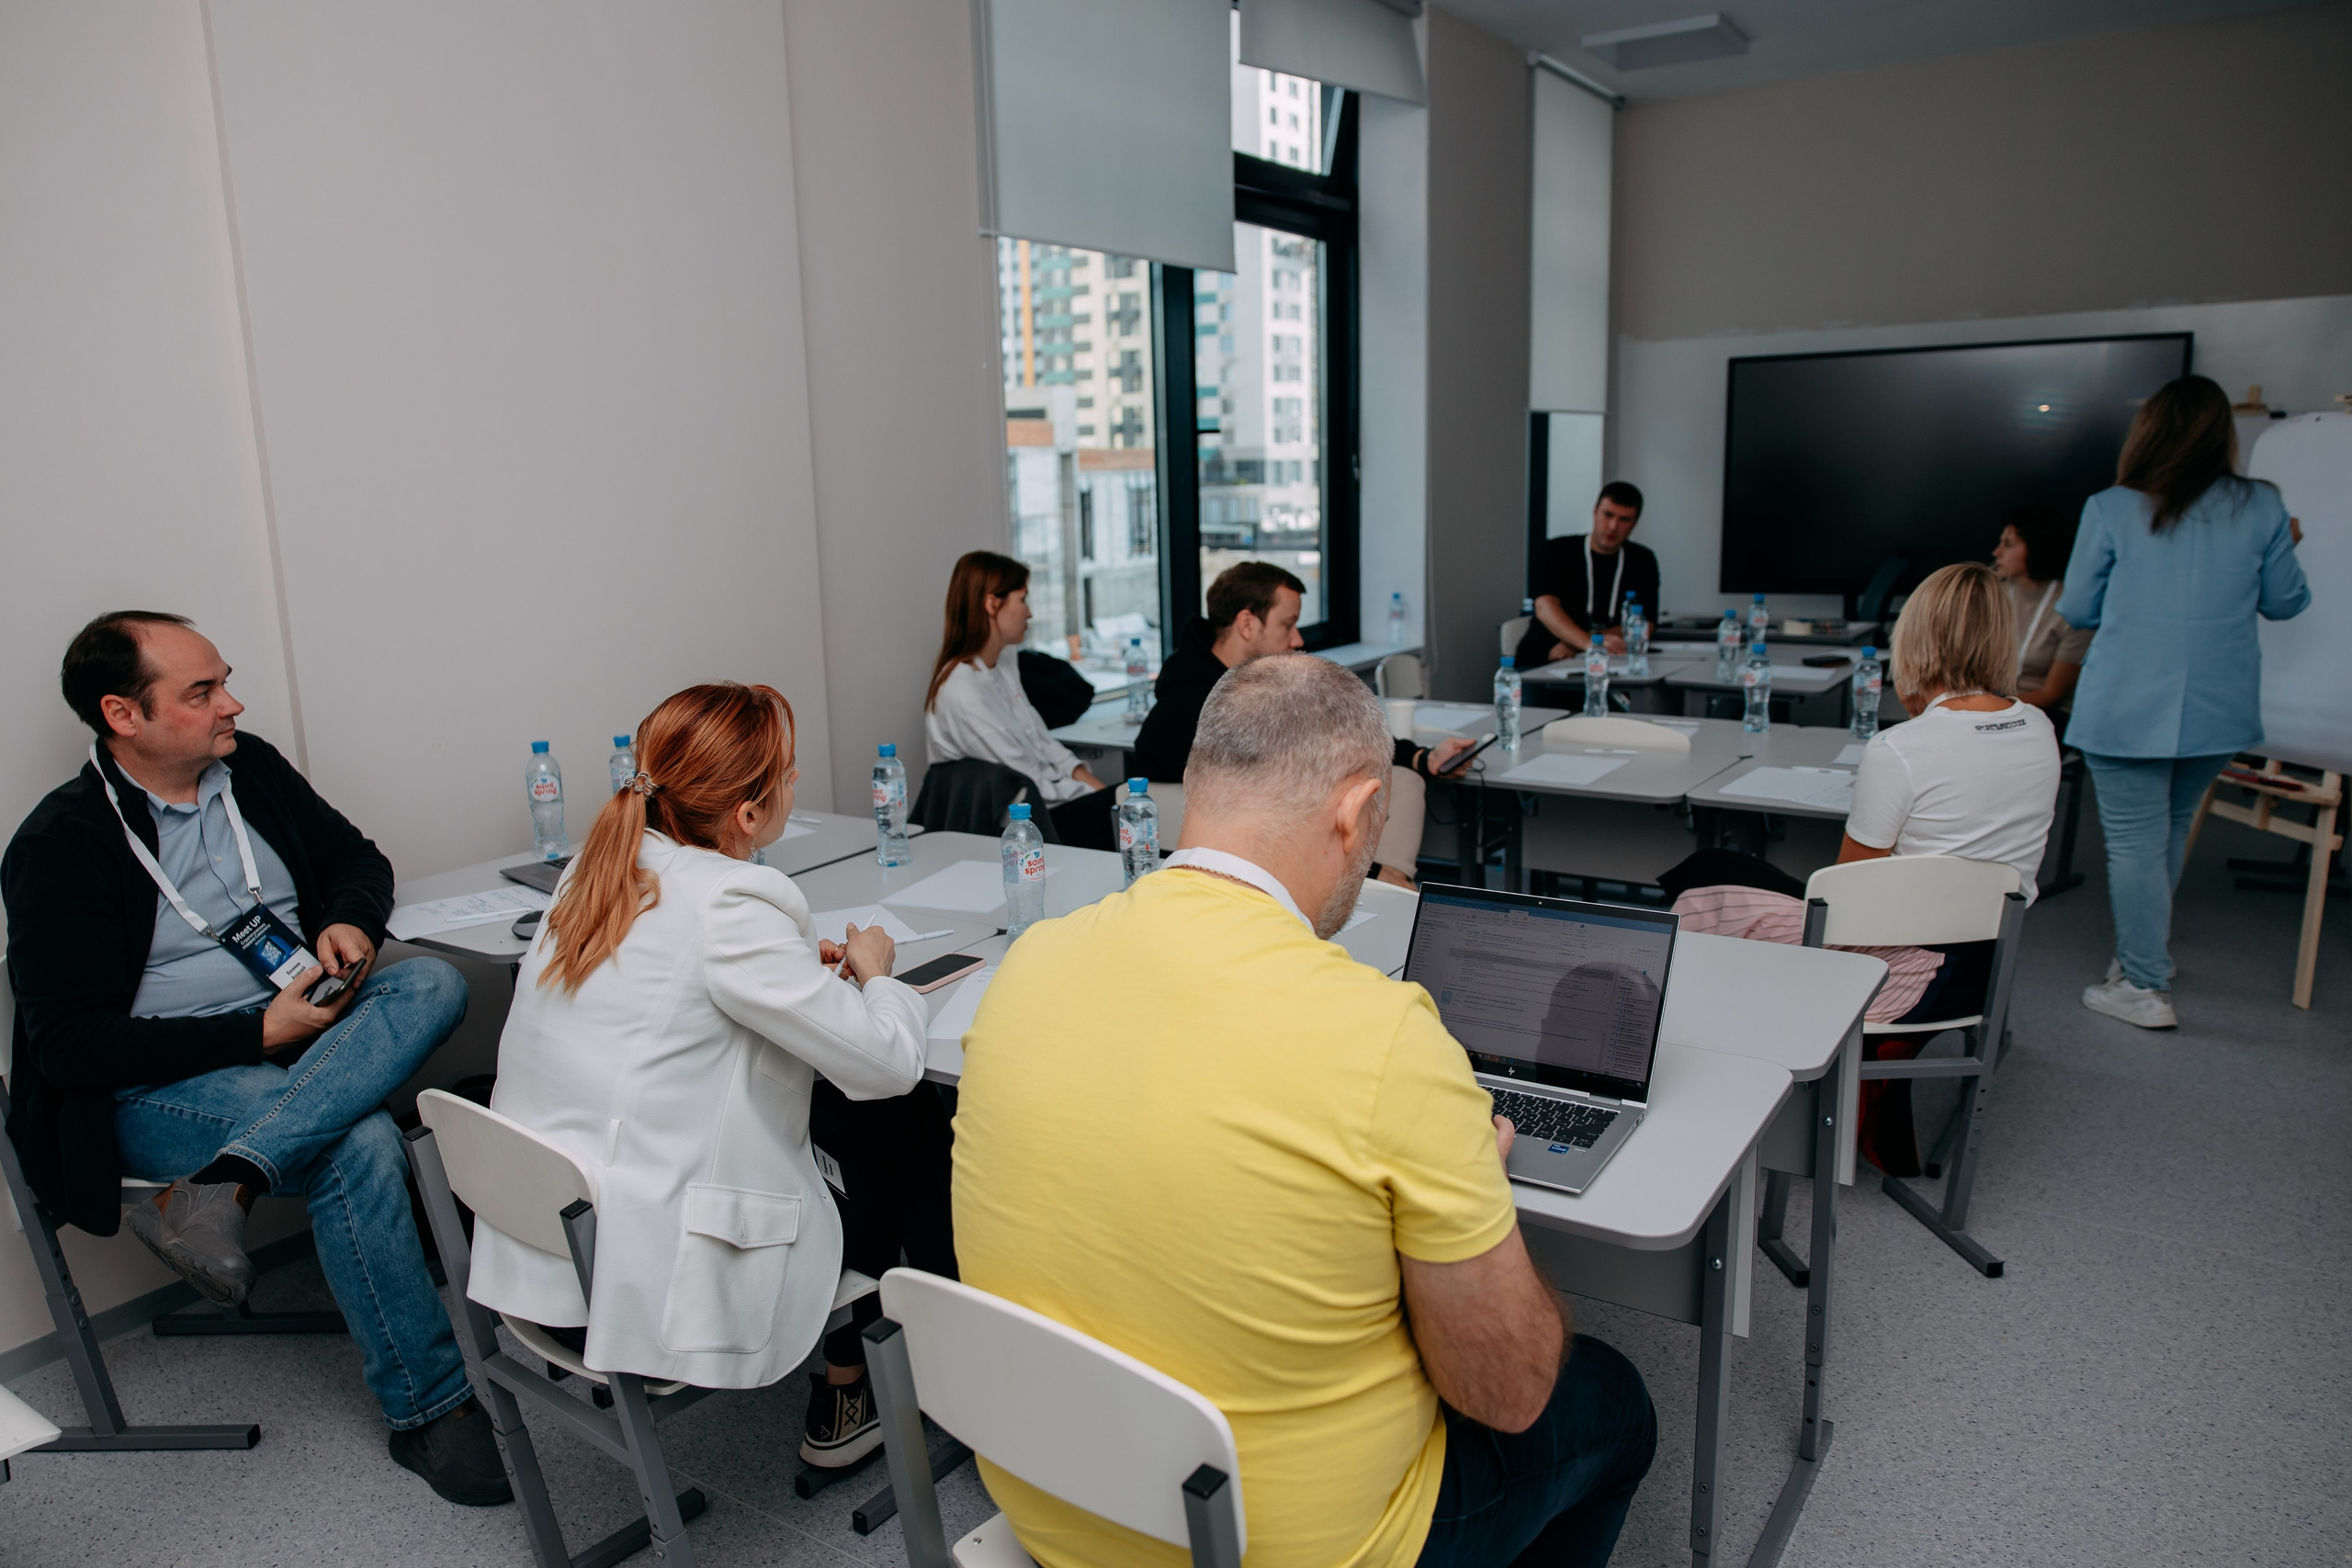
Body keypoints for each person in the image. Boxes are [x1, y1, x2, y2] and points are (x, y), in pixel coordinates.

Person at [955, 654, 1655, 1568]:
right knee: (1609, 1399)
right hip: (1301, 1548)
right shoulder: (1385, 1036)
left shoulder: (1030, 967)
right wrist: (1472, 1180)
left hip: (1057, 1509)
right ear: (1362, 812)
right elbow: (1506, 1395)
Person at [2, 612, 498, 1504]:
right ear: (123, 714)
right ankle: (432, 1413)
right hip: (160, 1084)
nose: (232, 704)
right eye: (201, 693)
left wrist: (347, 916)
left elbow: (357, 858)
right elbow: (68, 1046)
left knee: (429, 984)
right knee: (360, 1145)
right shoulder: (58, 845)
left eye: (224, 680)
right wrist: (252, 1036)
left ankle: (219, 1187)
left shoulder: (249, 770)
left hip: (300, 1027)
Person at [469, 682, 935, 1470]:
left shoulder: (597, 864)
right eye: (786, 776)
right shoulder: (735, 901)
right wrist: (875, 974)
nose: (794, 786)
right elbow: (887, 1063)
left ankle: (867, 1362)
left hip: (546, 1258)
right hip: (639, 1284)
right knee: (897, 1116)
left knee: (833, 1104)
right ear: (748, 816)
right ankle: (859, 1380)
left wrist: (793, 969)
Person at [1660, 563, 2061, 1172]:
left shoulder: (1902, 748)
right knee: (1724, 867)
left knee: (1700, 886)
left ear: (1918, 639)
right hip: (1986, 963)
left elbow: (1845, 908)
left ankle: (1707, 1092)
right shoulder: (2040, 728)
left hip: (1907, 975)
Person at [2060, 374, 2311, 1029]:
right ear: (2221, 436)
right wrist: (2287, 543)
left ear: (2147, 434)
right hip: (2218, 707)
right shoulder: (2262, 507)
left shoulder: (2111, 507)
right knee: (2165, 832)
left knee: (2136, 843)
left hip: (2125, 705)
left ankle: (2143, 983)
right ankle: (2142, 960)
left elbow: (2079, 607)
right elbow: (2287, 601)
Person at [1135, 561, 1475, 885]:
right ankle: (1386, 885)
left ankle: (1390, 883)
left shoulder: (1255, 685)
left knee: (1399, 778)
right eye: (1287, 624)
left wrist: (1423, 758)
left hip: (1272, 840)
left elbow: (1339, 739)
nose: (1297, 640)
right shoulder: (1194, 707)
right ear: (1248, 624)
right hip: (1245, 858)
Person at [924, 551, 1114, 849]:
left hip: (1051, 806)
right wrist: (1103, 800)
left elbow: (1043, 745)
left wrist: (1101, 793)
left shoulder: (999, 671)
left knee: (1130, 800)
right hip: (1034, 823)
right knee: (1136, 807)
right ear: (991, 604)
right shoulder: (963, 691)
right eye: (1023, 599)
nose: (1029, 613)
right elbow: (1031, 782)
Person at [1514, 482, 1659, 670]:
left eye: (1624, 520)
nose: (1613, 526)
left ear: (1635, 523)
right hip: (1546, 655)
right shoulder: (1556, 550)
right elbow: (1545, 607)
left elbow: (1645, 624)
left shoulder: (1642, 559)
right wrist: (1589, 645)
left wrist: (1578, 644)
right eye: (1608, 515)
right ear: (1595, 511)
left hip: (1611, 659)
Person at [1990, 503, 2094, 716]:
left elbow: (2052, 693)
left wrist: (1989, 710)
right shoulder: (1992, 595)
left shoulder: (2071, 608)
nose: (1996, 552)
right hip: (1986, 705)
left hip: (2042, 713)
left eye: (2008, 545)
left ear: (2036, 547)